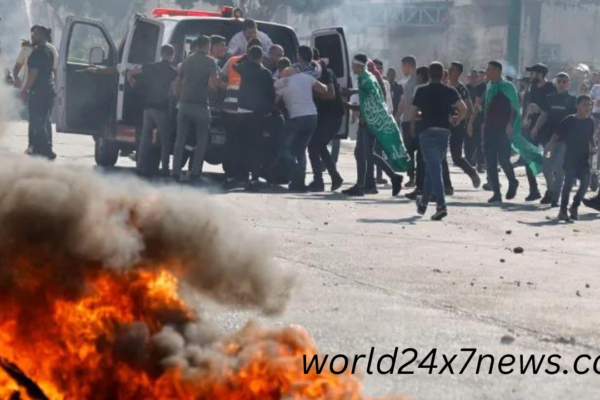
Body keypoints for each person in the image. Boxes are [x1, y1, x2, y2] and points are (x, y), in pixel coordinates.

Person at [343, 54, 409, 197]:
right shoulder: (365, 78)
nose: (351, 67)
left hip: (369, 122)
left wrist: (360, 113)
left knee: (366, 153)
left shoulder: (366, 79)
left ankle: (392, 177)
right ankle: (362, 186)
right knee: (361, 153)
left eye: (353, 64)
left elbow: (373, 100)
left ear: (359, 65)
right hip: (367, 119)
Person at [411, 62, 467, 221]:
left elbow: (413, 112)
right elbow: (463, 109)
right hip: (444, 132)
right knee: (432, 168)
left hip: (427, 132)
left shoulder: (421, 90)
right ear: (443, 74)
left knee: (434, 169)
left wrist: (413, 126)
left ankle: (441, 205)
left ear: (428, 74)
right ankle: (423, 204)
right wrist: (457, 119)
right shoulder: (450, 91)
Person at [275, 46, 329, 192]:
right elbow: (324, 89)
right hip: (312, 117)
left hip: (297, 118)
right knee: (300, 150)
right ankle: (299, 183)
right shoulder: (307, 76)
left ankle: (296, 171)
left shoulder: (282, 83)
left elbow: (274, 103)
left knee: (284, 147)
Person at [172, 36, 220, 183]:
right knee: (201, 141)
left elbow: (177, 83)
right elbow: (213, 83)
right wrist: (213, 93)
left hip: (184, 105)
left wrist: (179, 97)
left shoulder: (186, 61)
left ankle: (175, 172)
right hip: (200, 106)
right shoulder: (210, 61)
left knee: (180, 140)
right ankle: (195, 172)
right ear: (207, 46)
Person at [128, 45, 178, 177]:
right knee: (165, 140)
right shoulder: (172, 71)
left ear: (161, 54)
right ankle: (165, 169)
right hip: (161, 109)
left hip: (147, 108)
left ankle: (140, 167)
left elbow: (131, 72)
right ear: (171, 56)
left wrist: (132, 83)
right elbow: (174, 92)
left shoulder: (150, 66)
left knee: (145, 139)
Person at [546, 95, 597, 221]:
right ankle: (563, 210)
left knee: (585, 183)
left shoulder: (590, 122)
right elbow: (556, 134)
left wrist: (594, 146)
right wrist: (549, 146)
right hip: (569, 157)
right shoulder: (569, 120)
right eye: (585, 104)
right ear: (577, 106)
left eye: (589, 105)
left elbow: (590, 137)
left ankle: (574, 206)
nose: (588, 107)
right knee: (568, 184)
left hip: (584, 159)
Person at [220, 37, 263, 183]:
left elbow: (221, 78)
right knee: (246, 142)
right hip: (248, 109)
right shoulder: (261, 66)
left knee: (231, 141)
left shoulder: (233, 61)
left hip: (230, 107)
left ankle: (230, 173)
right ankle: (243, 174)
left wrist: (227, 91)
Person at [234, 45, 276, 192]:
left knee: (241, 144)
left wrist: (246, 56)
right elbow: (271, 94)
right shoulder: (266, 72)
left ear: (249, 55)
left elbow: (235, 64)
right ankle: (255, 177)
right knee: (255, 146)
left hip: (241, 112)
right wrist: (268, 111)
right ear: (261, 57)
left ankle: (241, 176)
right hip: (257, 114)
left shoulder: (243, 68)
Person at [531, 72, 576, 206]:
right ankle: (551, 190)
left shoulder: (573, 100)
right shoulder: (549, 97)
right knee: (546, 168)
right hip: (548, 137)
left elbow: (576, 119)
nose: (561, 84)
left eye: (564, 81)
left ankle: (555, 196)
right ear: (555, 82)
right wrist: (536, 128)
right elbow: (544, 115)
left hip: (564, 138)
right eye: (559, 81)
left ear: (568, 83)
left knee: (559, 167)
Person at [307, 49, 345, 192]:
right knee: (319, 146)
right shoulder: (321, 72)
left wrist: (313, 96)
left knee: (313, 146)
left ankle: (319, 181)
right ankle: (334, 177)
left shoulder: (324, 72)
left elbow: (331, 95)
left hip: (330, 117)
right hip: (326, 117)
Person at [482, 61, 520, 203]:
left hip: (503, 129)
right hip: (489, 129)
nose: (486, 72)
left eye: (489, 70)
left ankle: (513, 181)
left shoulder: (507, 87)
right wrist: (484, 123)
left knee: (504, 159)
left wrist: (510, 124)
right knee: (490, 162)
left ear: (498, 71)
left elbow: (514, 108)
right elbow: (487, 107)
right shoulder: (489, 86)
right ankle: (496, 193)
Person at [523, 63, 557, 201]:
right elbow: (532, 107)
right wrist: (527, 119)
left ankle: (552, 191)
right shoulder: (533, 88)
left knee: (549, 160)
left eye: (533, 73)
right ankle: (534, 189)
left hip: (548, 129)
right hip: (534, 128)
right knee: (528, 158)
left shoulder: (550, 88)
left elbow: (548, 110)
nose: (531, 76)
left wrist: (538, 111)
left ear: (541, 74)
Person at [21, 25, 56, 160]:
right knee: (43, 120)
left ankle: (46, 149)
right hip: (49, 91)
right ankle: (39, 148)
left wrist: (25, 90)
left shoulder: (37, 53)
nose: (32, 36)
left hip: (38, 92)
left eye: (35, 34)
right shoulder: (48, 50)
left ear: (41, 36)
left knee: (37, 121)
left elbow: (33, 74)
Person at [447, 62, 480, 189]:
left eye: (452, 69)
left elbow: (470, 110)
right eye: (449, 69)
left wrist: (459, 118)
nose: (449, 71)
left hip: (458, 126)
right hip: (444, 125)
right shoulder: (446, 87)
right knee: (440, 157)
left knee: (456, 157)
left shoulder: (462, 89)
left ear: (458, 73)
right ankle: (446, 185)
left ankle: (472, 173)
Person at [405, 66, 429, 201]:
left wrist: (412, 124)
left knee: (420, 157)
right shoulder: (435, 88)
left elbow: (415, 108)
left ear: (420, 76)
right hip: (433, 125)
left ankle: (419, 187)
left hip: (420, 123)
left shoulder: (419, 89)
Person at [397, 56, 418, 188]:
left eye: (403, 66)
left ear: (409, 65)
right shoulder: (408, 82)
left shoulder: (416, 82)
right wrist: (397, 115)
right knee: (410, 151)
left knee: (413, 151)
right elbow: (404, 101)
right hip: (407, 119)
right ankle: (412, 177)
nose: (402, 69)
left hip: (413, 120)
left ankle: (415, 178)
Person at [465, 69, 485, 173]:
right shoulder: (465, 89)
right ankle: (468, 162)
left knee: (479, 142)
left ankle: (480, 164)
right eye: (472, 77)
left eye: (476, 77)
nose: (474, 79)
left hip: (480, 119)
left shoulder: (481, 88)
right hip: (468, 117)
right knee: (468, 141)